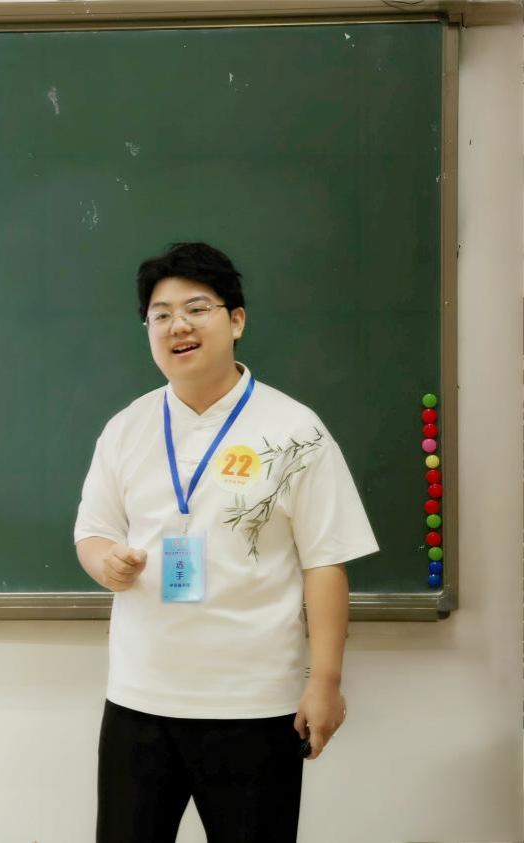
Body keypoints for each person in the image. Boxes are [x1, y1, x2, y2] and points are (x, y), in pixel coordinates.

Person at [73, 242, 378, 843]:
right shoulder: (127, 427)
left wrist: (325, 682)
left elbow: (325, 562)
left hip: (255, 704)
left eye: (197, 309)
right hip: (140, 697)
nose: (178, 327)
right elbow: (93, 532)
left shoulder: (296, 431)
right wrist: (106, 562)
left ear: (236, 321)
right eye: (161, 315)